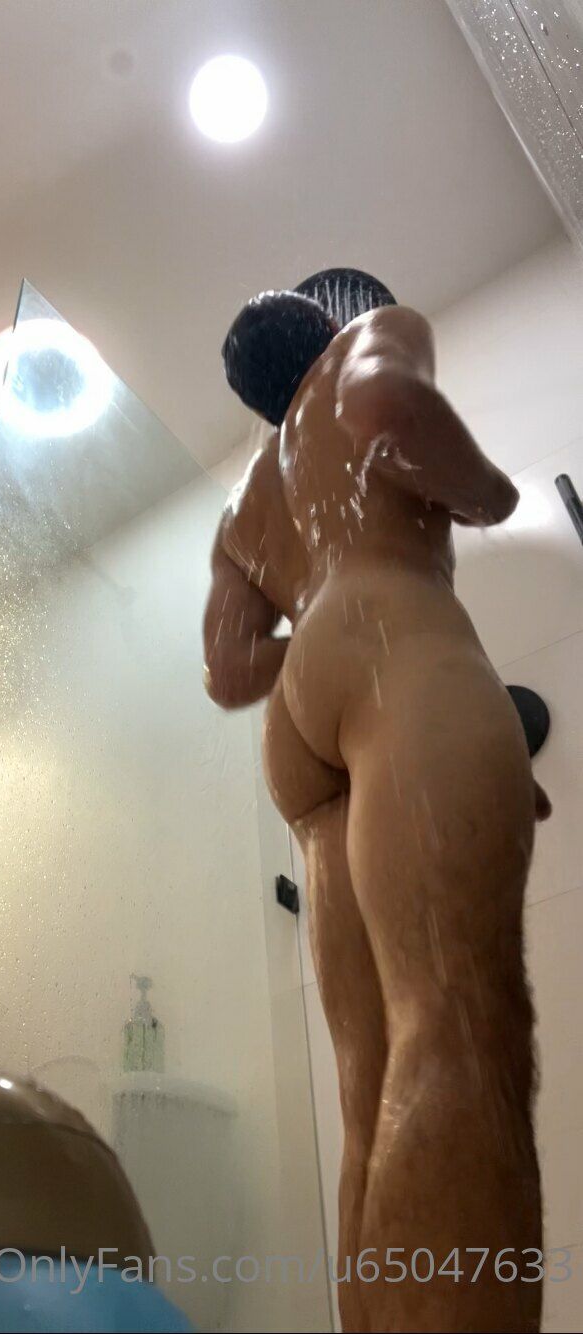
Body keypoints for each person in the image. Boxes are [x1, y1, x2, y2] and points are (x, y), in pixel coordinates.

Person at [203, 270, 549, 1333]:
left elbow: (228, 667)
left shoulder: (245, 502)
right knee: (455, 1021)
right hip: (398, 641)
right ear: (327, 327)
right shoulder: (369, 338)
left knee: (369, 1084)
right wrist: (492, 497)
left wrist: (323, 632)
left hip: (300, 730)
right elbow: (388, 404)